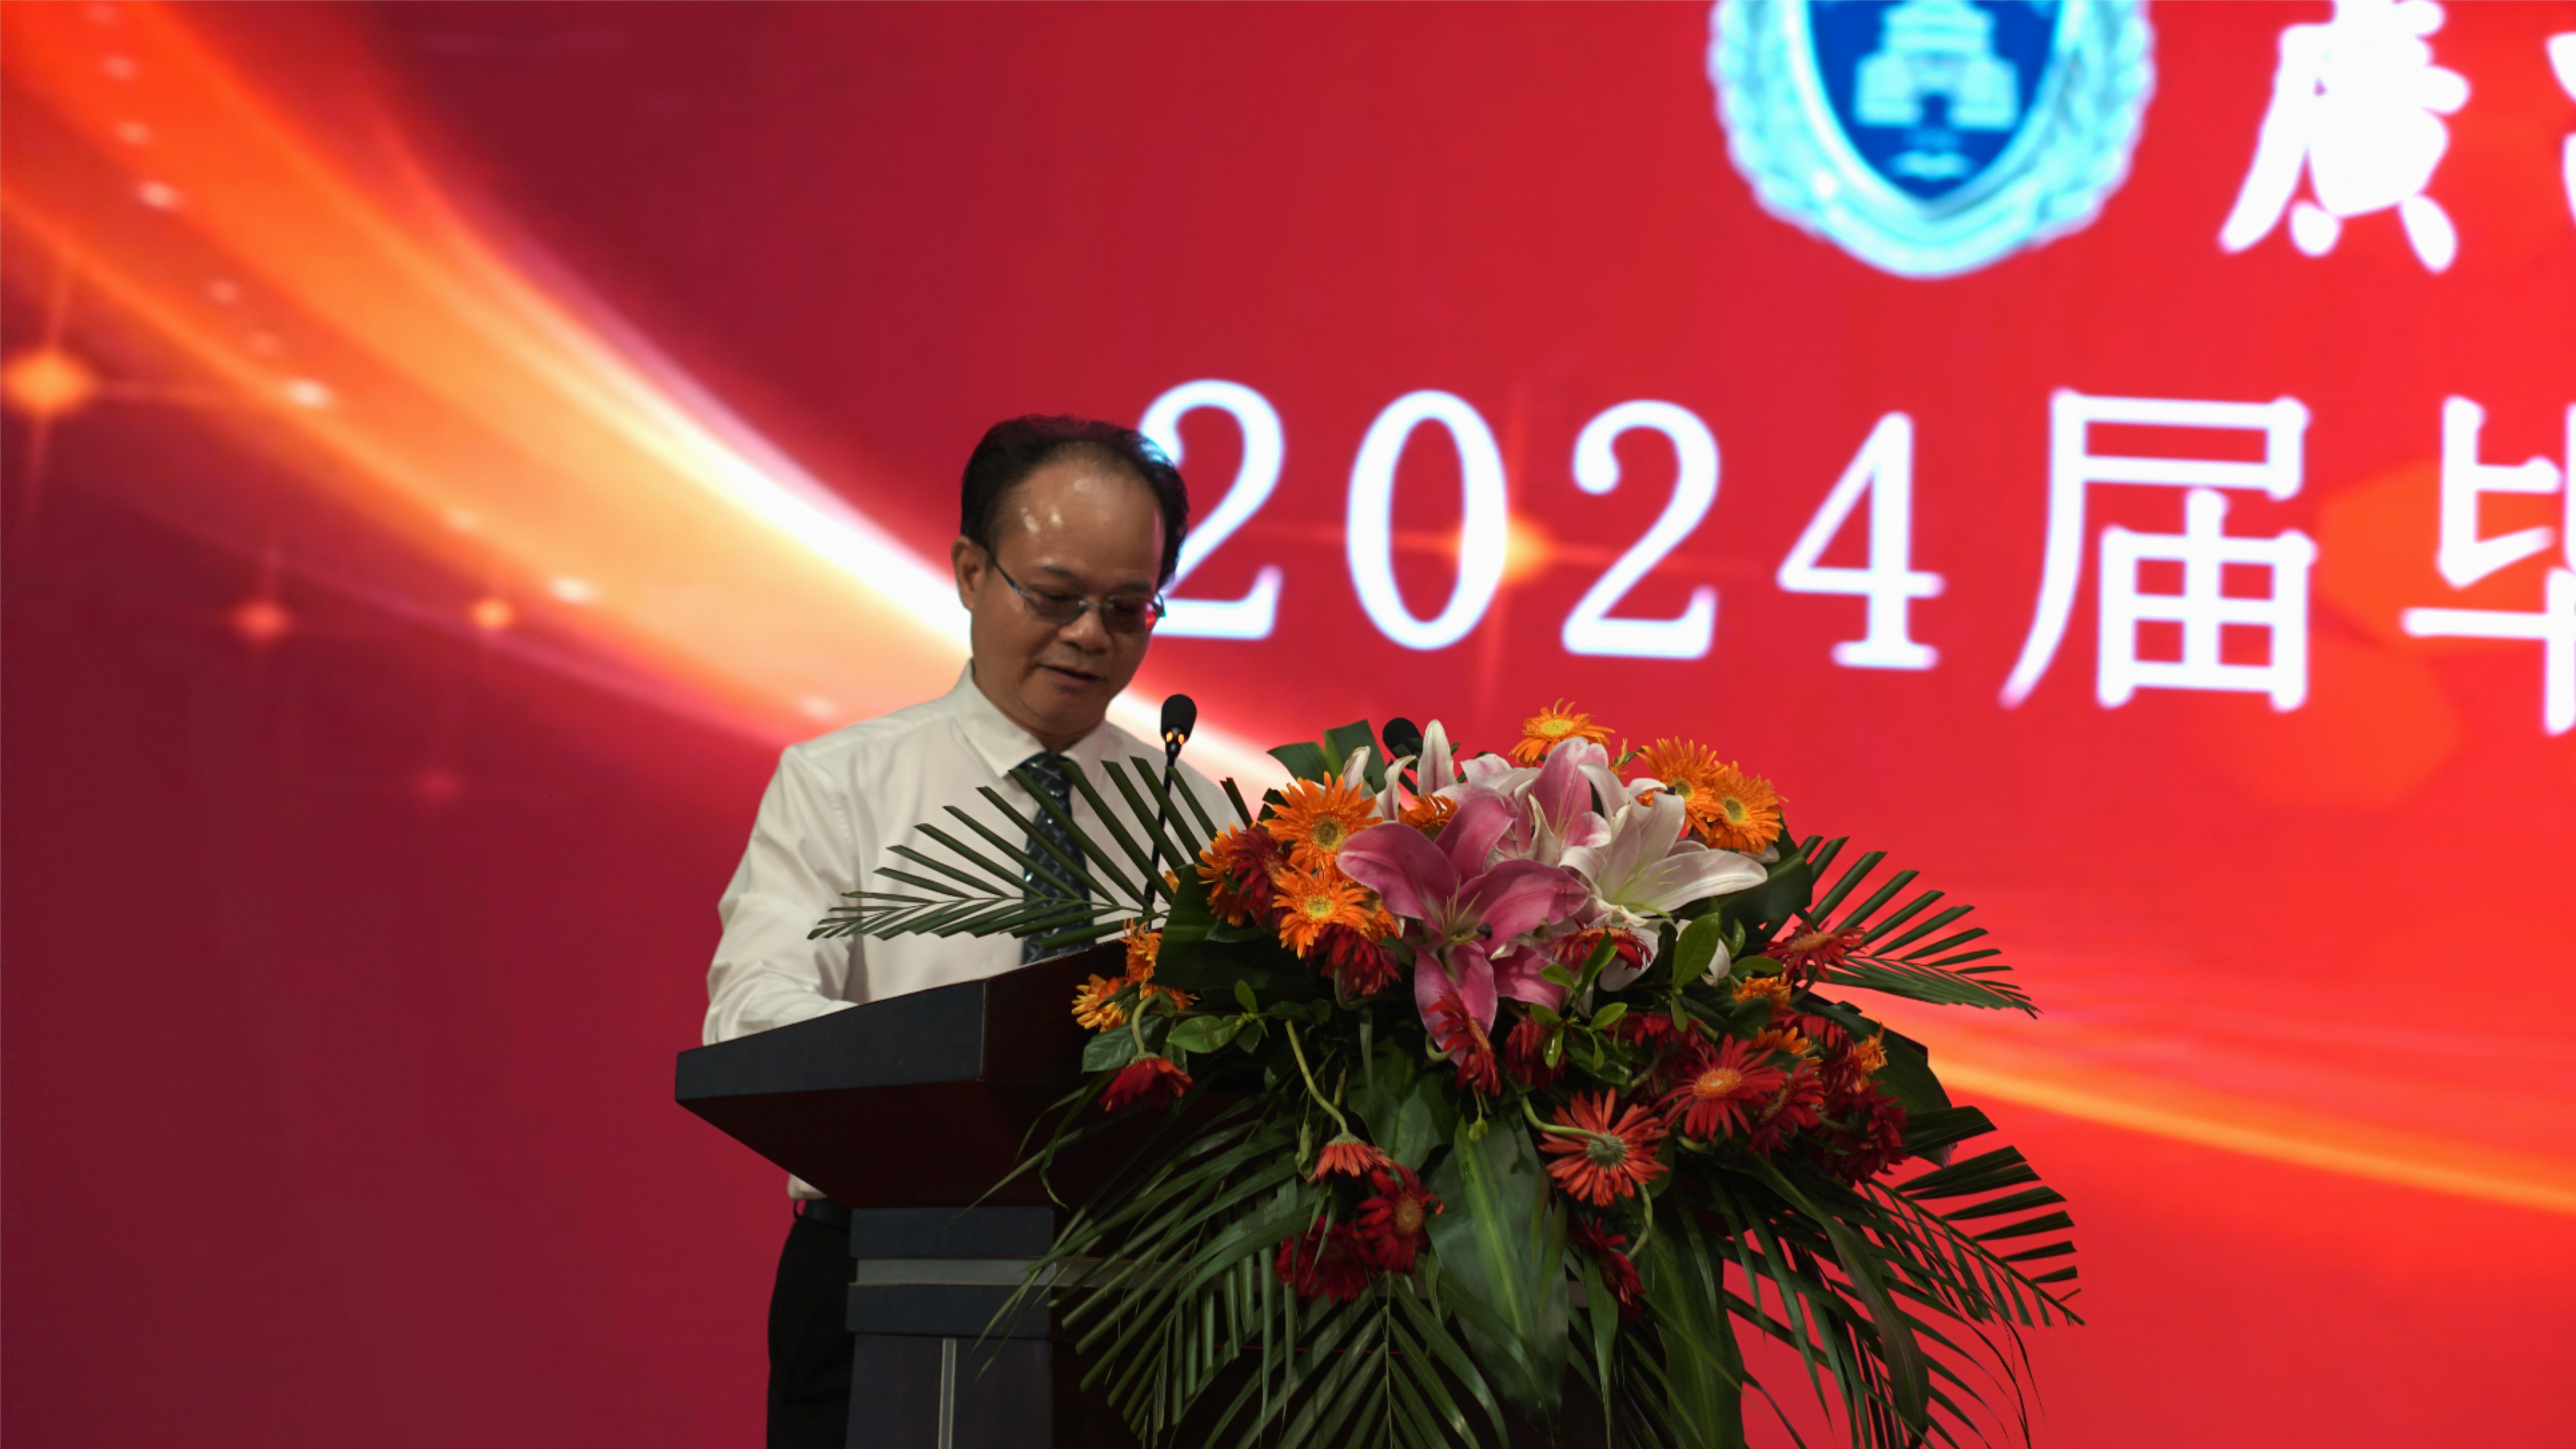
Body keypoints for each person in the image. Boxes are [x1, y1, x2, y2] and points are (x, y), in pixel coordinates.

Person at [704, 415, 1221, 1448]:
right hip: (879, 1277)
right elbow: (750, 1017)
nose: (1090, 636)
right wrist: (956, 1069)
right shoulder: (842, 783)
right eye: (1056, 597)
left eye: (1127, 608)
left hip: (1137, 1297)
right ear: (972, 571)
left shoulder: (1200, 816)